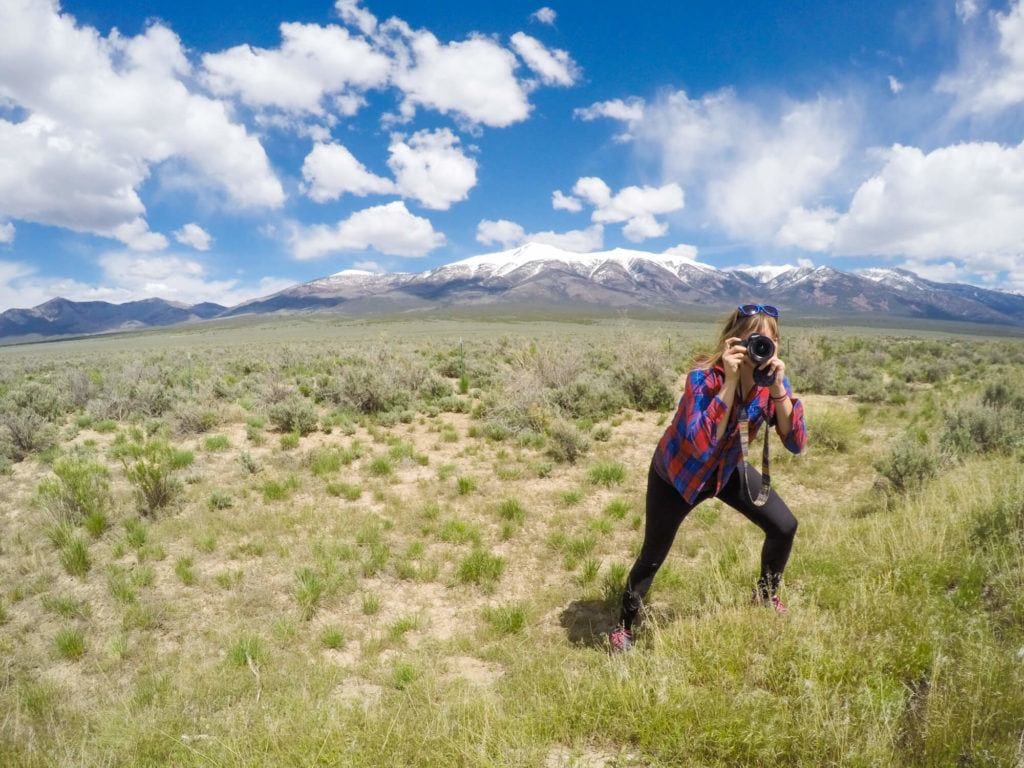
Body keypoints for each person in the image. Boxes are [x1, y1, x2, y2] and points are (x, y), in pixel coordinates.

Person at [609, 304, 808, 653]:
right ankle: (623, 627)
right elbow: (701, 445)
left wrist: (777, 389)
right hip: (679, 476)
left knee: (784, 526)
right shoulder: (704, 377)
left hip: (727, 470)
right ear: (735, 340)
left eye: (772, 339)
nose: (764, 346)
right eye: (756, 337)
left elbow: (796, 443)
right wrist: (731, 382)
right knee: (653, 554)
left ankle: (765, 595)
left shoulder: (772, 382)